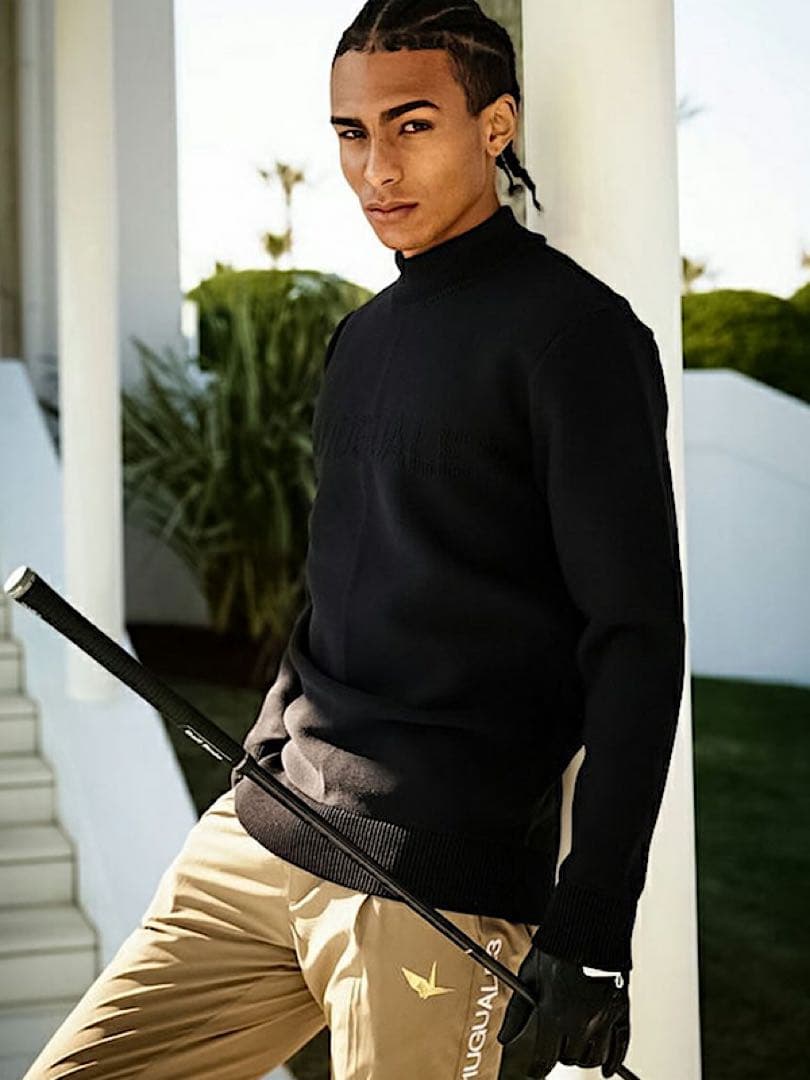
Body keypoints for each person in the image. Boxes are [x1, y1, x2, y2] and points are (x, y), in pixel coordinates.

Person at [24, 2, 685, 1078]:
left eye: (412, 125)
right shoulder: (361, 338)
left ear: (496, 125)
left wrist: (594, 929)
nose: (376, 167)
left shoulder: (579, 339)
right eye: (350, 132)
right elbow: (340, 584)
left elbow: (637, 640)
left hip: (437, 886)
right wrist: (264, 754)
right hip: (262, 836)